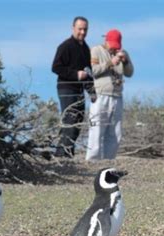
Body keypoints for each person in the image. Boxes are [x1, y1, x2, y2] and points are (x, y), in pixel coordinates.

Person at [85, 29, 133, 161]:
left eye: (116, 45)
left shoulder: (123, 53)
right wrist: (110, 63)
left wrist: (125, 61)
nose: (114, 48)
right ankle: (92, 160)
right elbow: (92, 71)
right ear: (106, 40)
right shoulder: (96, 50)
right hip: (101, 95)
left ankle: (109, 160)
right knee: (97, 129)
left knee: (115, 132)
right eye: (112, 45)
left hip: (117, 96)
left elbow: (129, 73)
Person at [52, 16, 94, 158]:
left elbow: (88, 72)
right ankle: (62, 154)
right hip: (66, 88)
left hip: (79, 90)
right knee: (70, 120)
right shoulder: (65, 46)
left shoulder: (86, 49)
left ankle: (65, 153)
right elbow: (56, 67)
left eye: (85, 29)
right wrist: (75, 74)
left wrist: (91, 91)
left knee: (78, 122)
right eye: (80, 29)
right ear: (73, 28)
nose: (82, 32)